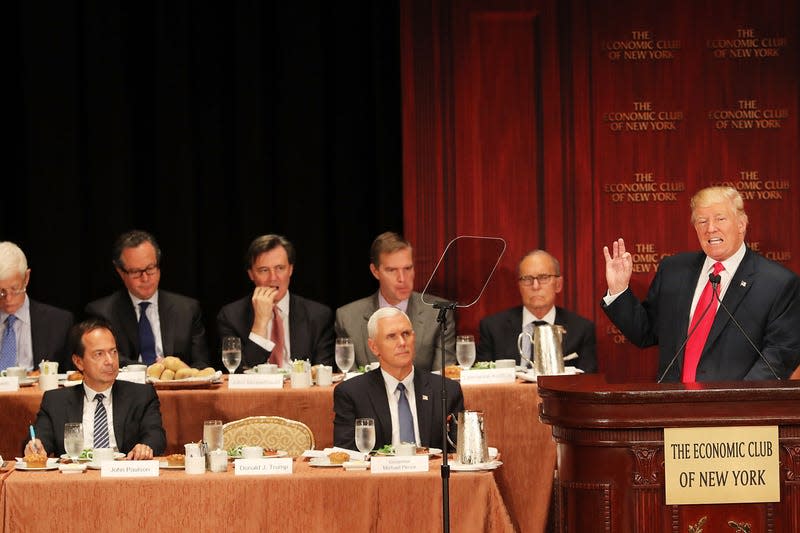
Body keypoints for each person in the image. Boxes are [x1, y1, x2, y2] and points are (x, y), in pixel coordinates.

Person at [602, 186, 800, 382]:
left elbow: (779, 355)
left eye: (720, 219)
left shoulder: (778, 283)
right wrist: (619, 290)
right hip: (673, 406)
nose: (710, 228)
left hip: (735, 408)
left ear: (741, 224)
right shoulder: (673, 270)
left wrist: (735, 401)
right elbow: (645, 333)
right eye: (702, 221)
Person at [24, 318, 166, 459]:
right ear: (79, 362)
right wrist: (36, 445)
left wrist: (145, 446)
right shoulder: (56, 401)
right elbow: (40, 438)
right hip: (74, 477)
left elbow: (156, 436)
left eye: (113, 352)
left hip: (122, 475)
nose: (110, 361)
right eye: (99, 354)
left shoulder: (141, 395)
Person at [333, 307, 463, 451]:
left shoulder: (446, 390)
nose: (402, 342)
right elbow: (347, 455)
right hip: (378, 473)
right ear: (374, 347)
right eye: (391, 336)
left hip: (430, 472)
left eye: (406, 334)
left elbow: (457, 451)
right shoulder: (352, 393)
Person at [85, 230, 210, 369]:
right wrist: (152, 370)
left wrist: (181, 371)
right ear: (120, 272)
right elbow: (108, 360)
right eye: (136, 272)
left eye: (151, 268)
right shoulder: (102, 313)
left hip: (178, 386)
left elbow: (202, 363)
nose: (145, 278)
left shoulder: (187, 309)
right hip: (129, 388)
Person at [335, 231, 455, 372]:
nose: (402, 279)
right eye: (392, 270)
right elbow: (350, 382)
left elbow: (443, 378)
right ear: (375, 271)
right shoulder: (348, 318)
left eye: (407, 268)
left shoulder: (438, 312)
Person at [217, 234, 334, 370]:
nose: (273, 278)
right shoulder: (231, 316)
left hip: (300, 390)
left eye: (280, 268)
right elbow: (239, 372)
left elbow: (324, 373)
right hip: (255, 391)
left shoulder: (318, 315)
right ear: (251, 274)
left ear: (290, 269)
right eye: (264, 270)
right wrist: (260, 322)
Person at [477, 250, 597, 372]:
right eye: (527, 279)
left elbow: (587, 382)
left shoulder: (581, 330)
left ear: (558, 284)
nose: (535, 286)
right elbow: (482, 379)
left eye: (543, 277)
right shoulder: (493, 328)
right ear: (519, 286)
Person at [0, 242, 74, 371]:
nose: (8, 298)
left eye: (14, 289)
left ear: (26, 278)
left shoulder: (59, 322)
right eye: (1, 291)